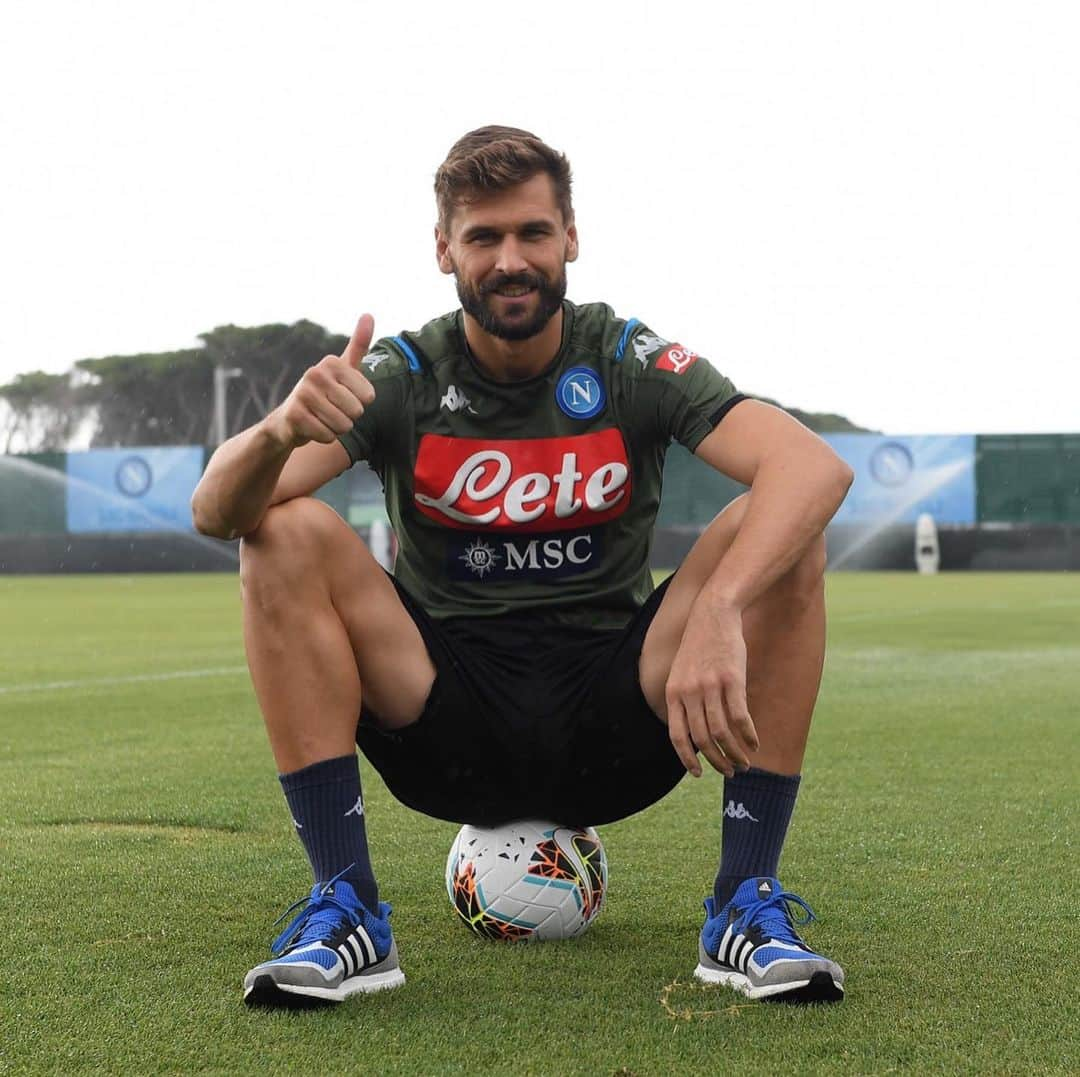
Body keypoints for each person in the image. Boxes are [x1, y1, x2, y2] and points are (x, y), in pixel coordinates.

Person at [191, 125, 854, 1008]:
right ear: (444, 250)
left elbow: (816, 467)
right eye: (483, 237)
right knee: (283, 527)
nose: (511, 259)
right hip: (443, 719)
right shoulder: (403, 374)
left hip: (617, 720)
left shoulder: (627, 360)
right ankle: (346, 906)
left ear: (570, 237)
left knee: (780, 535)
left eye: (533, 233)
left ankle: (745, 905)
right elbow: (216, 513)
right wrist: (277, 430)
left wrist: (721, 609)